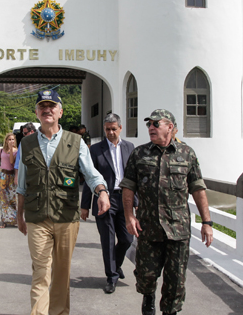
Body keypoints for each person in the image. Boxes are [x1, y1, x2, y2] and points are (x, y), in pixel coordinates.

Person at [16, 89, 110, 315]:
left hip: (66, 218)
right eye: (42, 106)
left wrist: (102, 191)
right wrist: (19, 216)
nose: (46, 110)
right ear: (37, 112)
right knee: (40, 272)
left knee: (61, 273)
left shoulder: (75, 141)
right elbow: (21, 185)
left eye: (51, 106)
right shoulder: (27, 143)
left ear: (60, 112)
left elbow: (91, 174)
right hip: (37, 218)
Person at [120, 109, 213, 315]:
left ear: (169, 127)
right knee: (146, 275)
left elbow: (197, 188)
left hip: (177, 229)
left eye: (155, 124)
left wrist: (207, 222)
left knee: (176, 280)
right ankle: (148, 297)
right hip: (148, 227)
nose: (151, 128)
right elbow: (128, 187)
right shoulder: (139, 153)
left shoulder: (187, 154)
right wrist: (129, 216)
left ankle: (169, 311)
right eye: (149, 125)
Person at [80, 113, 137, 294]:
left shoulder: (130, 147)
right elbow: (90, 177)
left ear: (120, 128)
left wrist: (136, 201)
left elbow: (134, 176)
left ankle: (116, 264)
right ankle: (111, 277)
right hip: (103, 199)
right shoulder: (96, 150)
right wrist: (85, 205)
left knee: (128, 238)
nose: (111, 132)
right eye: (107, 129)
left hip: (125, 199)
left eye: (114, 129)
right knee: (108, 240)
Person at [0, 133, 18, 228]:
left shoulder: (17, 151)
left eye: (13, 139)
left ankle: (14, 220)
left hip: (11, 176)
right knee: (3, 198)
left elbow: (11, 161)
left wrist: (11, 150)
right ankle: (4, 220)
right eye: (9, 139)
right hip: (2, 175)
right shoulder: (1, 151)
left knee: (12, 198)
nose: (11, 141)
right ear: (6, 141)